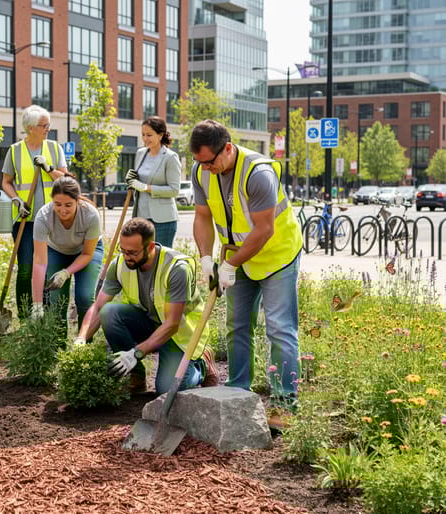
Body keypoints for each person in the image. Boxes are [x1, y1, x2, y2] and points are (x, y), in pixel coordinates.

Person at [189, 119, 302, 430]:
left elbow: (264, 230)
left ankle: (284, 404)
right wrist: (206, 259)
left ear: (227, 148)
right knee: (237, 326)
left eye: (209, 161)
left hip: (277, 256)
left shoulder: (258, 173)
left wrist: (230, 265)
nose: (205, 168)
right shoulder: (202, 171)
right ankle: (238, 392)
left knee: (279, 329)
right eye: (199, 162)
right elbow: (202, 217)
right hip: (237, 256)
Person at [74, 218, 217, 394]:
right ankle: (136, 376)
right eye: (123, 250)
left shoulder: (176, 268)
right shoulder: (119, 264)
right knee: (109, 312)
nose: (126, 257)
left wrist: (135, 353)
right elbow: (97, 307)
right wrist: (81, 339)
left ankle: (202, 367)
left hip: (179, 334)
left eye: (132, 252)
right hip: (149, 323)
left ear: (149, 248)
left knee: (166, 390)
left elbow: (172, 324)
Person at [1, 105, 69, 318]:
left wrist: (49, 168)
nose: (48, 128)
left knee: (48, 268)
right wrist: (16, 200)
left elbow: (65, 180)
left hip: (53, 218)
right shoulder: (15, 151)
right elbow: (6, 182)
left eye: (48, 124)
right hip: (26, 219)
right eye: (43, 125)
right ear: (30, 128)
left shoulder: (54, 148)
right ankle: (24, 314)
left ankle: (46, 313)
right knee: (25, 269)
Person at [31, 176, 103, 335]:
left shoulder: (90, 215)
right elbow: (39, 262)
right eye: (57, 204)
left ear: (77, 201)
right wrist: (36, 304)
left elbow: (87, 253)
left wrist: (66, 272)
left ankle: (84, 343)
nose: (62, 210)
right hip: (57, 251)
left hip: (86, 252)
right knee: (57, 301)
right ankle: (58, 346)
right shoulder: (43, 217)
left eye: (68, 205)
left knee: (84, 297)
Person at [125, 116, 182, 248]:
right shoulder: (140, 153)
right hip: (141, 217)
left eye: (149, 135)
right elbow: (138, 180)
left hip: (163, 220)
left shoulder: (170, 157)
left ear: (161, 135)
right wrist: (131, 179)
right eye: (143, 135)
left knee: (160, 259)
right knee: (142, 256)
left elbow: (174, 190)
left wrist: (146, 187)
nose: (145, 139)